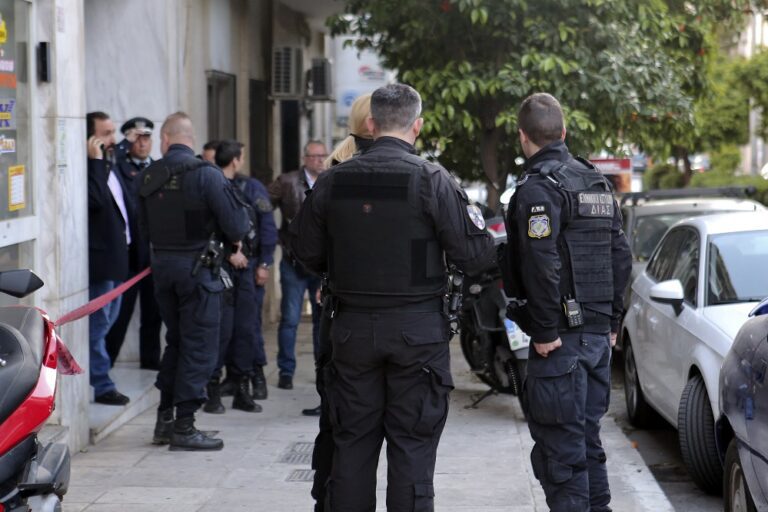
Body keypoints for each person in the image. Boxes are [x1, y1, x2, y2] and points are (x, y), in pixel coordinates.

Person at [290, 83, 496, 511]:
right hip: (417, 331)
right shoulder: (432, 180)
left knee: (352, 445)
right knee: (412, 449)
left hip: (351, 330)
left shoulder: (332, 179)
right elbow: (475, 255)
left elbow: (305, 251)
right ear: (416, 126)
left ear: (370, 123)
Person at [501, 93, 631, 512]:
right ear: (564, 131)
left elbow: (541, 264)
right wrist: (612, 322)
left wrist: (543, 331)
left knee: (561, 455)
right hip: (596, 339)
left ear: (523, 136)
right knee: (587, 443)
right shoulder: (595, 182)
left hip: (561, 343)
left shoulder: (539, 189)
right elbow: (621, 256)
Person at [140, 112, 249, 451]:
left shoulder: (148, 175)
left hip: (163, 270)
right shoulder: (207, 175)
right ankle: (184, 426)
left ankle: (164, 419)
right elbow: (238, 226)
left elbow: (141, 228)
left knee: (175, 342)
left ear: (165, 139)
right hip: (199, 273)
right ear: (190, 138)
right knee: (199, 346)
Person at [308, 93, 373, 511]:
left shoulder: (333, 172)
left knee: (340, 424)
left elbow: (308, 247)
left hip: (340, 312)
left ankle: (327, 500)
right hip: (370, 315)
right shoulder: (406, 172)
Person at [203, 139, 276, 414]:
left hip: (247, 267)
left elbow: (266, 226)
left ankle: (242, 385)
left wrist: (264, 262)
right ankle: (212, 389)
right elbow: (205, 229)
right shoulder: (209, 187)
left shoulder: (251, 187)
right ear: (235, 160)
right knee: (220, 330)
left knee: (246, 329)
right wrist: (228, 253)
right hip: (218, 267)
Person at [268, 140, 329, 391]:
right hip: (293, 262)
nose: (319, 160)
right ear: (305, 158)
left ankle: (321, 370)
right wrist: (276, 237)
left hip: (322, 265)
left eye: (322, 155)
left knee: (321, 322)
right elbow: (262, 207)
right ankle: (286, 371)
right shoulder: (287, 181)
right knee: (290, 319)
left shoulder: (331, 180)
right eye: (314, 156)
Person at [105, 117, 164, 370]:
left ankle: (151, 363)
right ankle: (107, 363)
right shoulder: (118, 167)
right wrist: (122, 144)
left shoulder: (159, 169)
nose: (142, 143)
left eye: (146, 138)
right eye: (137, 138)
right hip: (129, 254)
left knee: (153, 313)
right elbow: (108, 161)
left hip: (154, 252)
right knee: (120, 314)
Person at [86, 111, 132, 406]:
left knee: (109, 323)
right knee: (98, 327)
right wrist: (94, 162)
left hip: (119, 259)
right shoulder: (93, 168)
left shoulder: (111, 165)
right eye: (106, 134)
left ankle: (102, 374)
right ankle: (102, 384)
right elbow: (95, 200)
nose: (113, 139)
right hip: (102, 262)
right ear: (91, 139)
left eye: (113, 132)